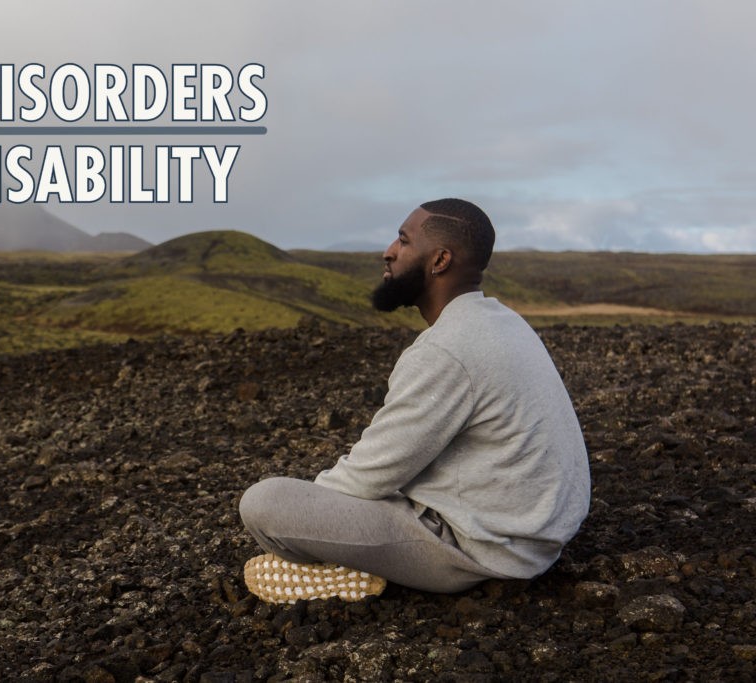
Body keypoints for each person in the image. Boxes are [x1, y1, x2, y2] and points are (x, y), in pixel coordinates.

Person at [238, 198, 591, 603]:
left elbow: (368, 477)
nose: (388, 251)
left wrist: (313, 515)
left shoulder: (446, 350)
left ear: (439, 260)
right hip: (535, 536)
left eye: (404, 242)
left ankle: (345, 573)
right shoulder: (503, 322)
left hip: (481, 550)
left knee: (264, 504)